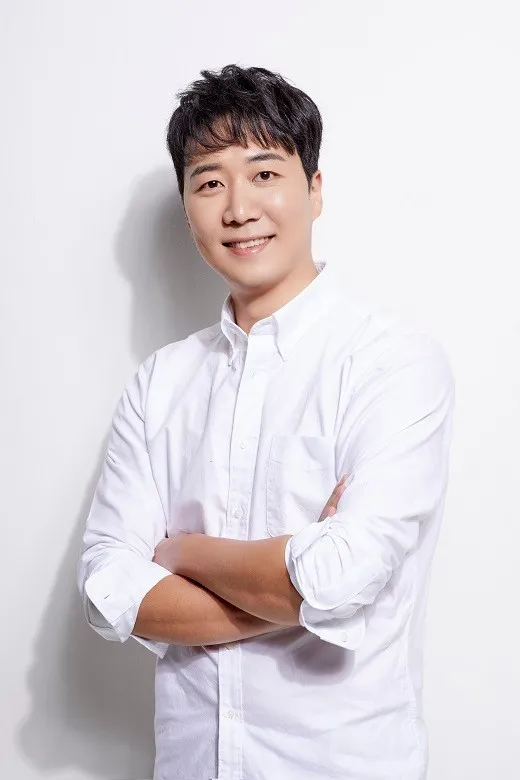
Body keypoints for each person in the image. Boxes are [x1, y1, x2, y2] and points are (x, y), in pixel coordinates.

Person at [77, 63, 455, 780]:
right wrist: (296, 589)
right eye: (209, 182)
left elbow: (338, 575)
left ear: (315, 190)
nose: (238, 208)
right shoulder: (160, 383)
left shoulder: (392, 364)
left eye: (264, 174)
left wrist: (181, 553)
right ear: (187, 210)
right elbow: (107, 586)